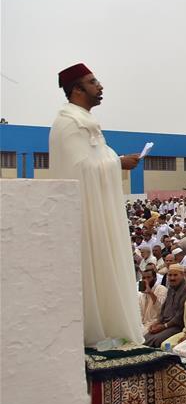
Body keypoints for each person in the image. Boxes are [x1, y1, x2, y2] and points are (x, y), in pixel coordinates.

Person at [49, 63, 144, 345]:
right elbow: (79, 169)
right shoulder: (68, 123)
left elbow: (96, 160)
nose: (100, 86)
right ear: (77, 89)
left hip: (101, 210)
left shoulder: (86, 121)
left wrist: (117, 161)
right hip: (87, 216)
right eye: (93, 82)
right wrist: (118, 163)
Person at [144, 265, 186, 347]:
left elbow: (179, 316)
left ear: (182, 275)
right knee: (145, 338)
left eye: (175, 275)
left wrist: (163, 326)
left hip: (176, 326)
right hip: (164, 324)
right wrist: (157, 323)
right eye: (170, 275)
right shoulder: (171, 288)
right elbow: (163, 309)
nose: (172, 278)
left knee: (156, 340)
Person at [138, 267, 168, 333]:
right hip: (142, 323)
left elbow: (160, 310)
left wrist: (150, 293)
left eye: (148, 277)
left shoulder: (161, 289)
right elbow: (139, 311)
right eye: (144, 278)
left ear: (155, 278)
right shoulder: (142, 293)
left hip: (154, 323)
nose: (146, 280)